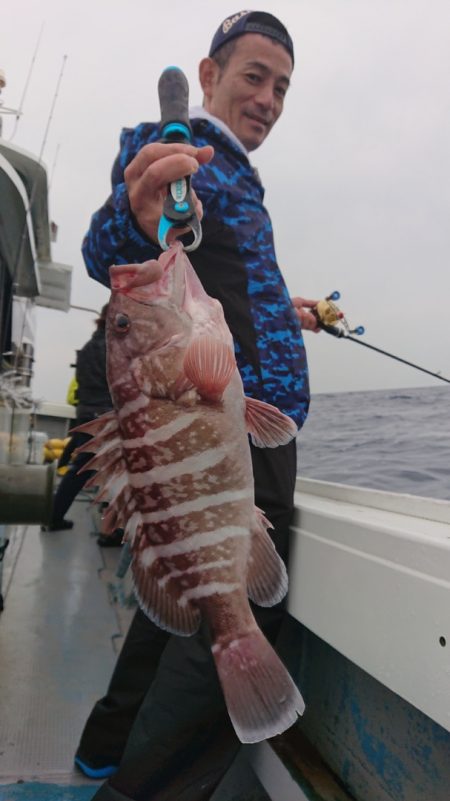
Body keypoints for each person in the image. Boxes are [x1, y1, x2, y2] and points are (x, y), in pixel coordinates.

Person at [75, 11, 319, 799]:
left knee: (180, 589)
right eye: (255, 76)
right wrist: (133, 216)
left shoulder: (238, 175)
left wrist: (287, 311)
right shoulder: (185, 157)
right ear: (208, 75)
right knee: (236, 605)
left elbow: (227, 280)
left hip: (219, 427)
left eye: (282, 87)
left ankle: (104, 745)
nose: (269, 98)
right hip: (229, 432)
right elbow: (116, 242)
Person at [43, 305, 120, 545]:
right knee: (117, 471)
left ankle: (54, 516)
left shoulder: (87, 348)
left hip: (86, 414)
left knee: (80, 469)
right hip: (107, 416)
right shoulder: (115, 348)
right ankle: (110, 532)